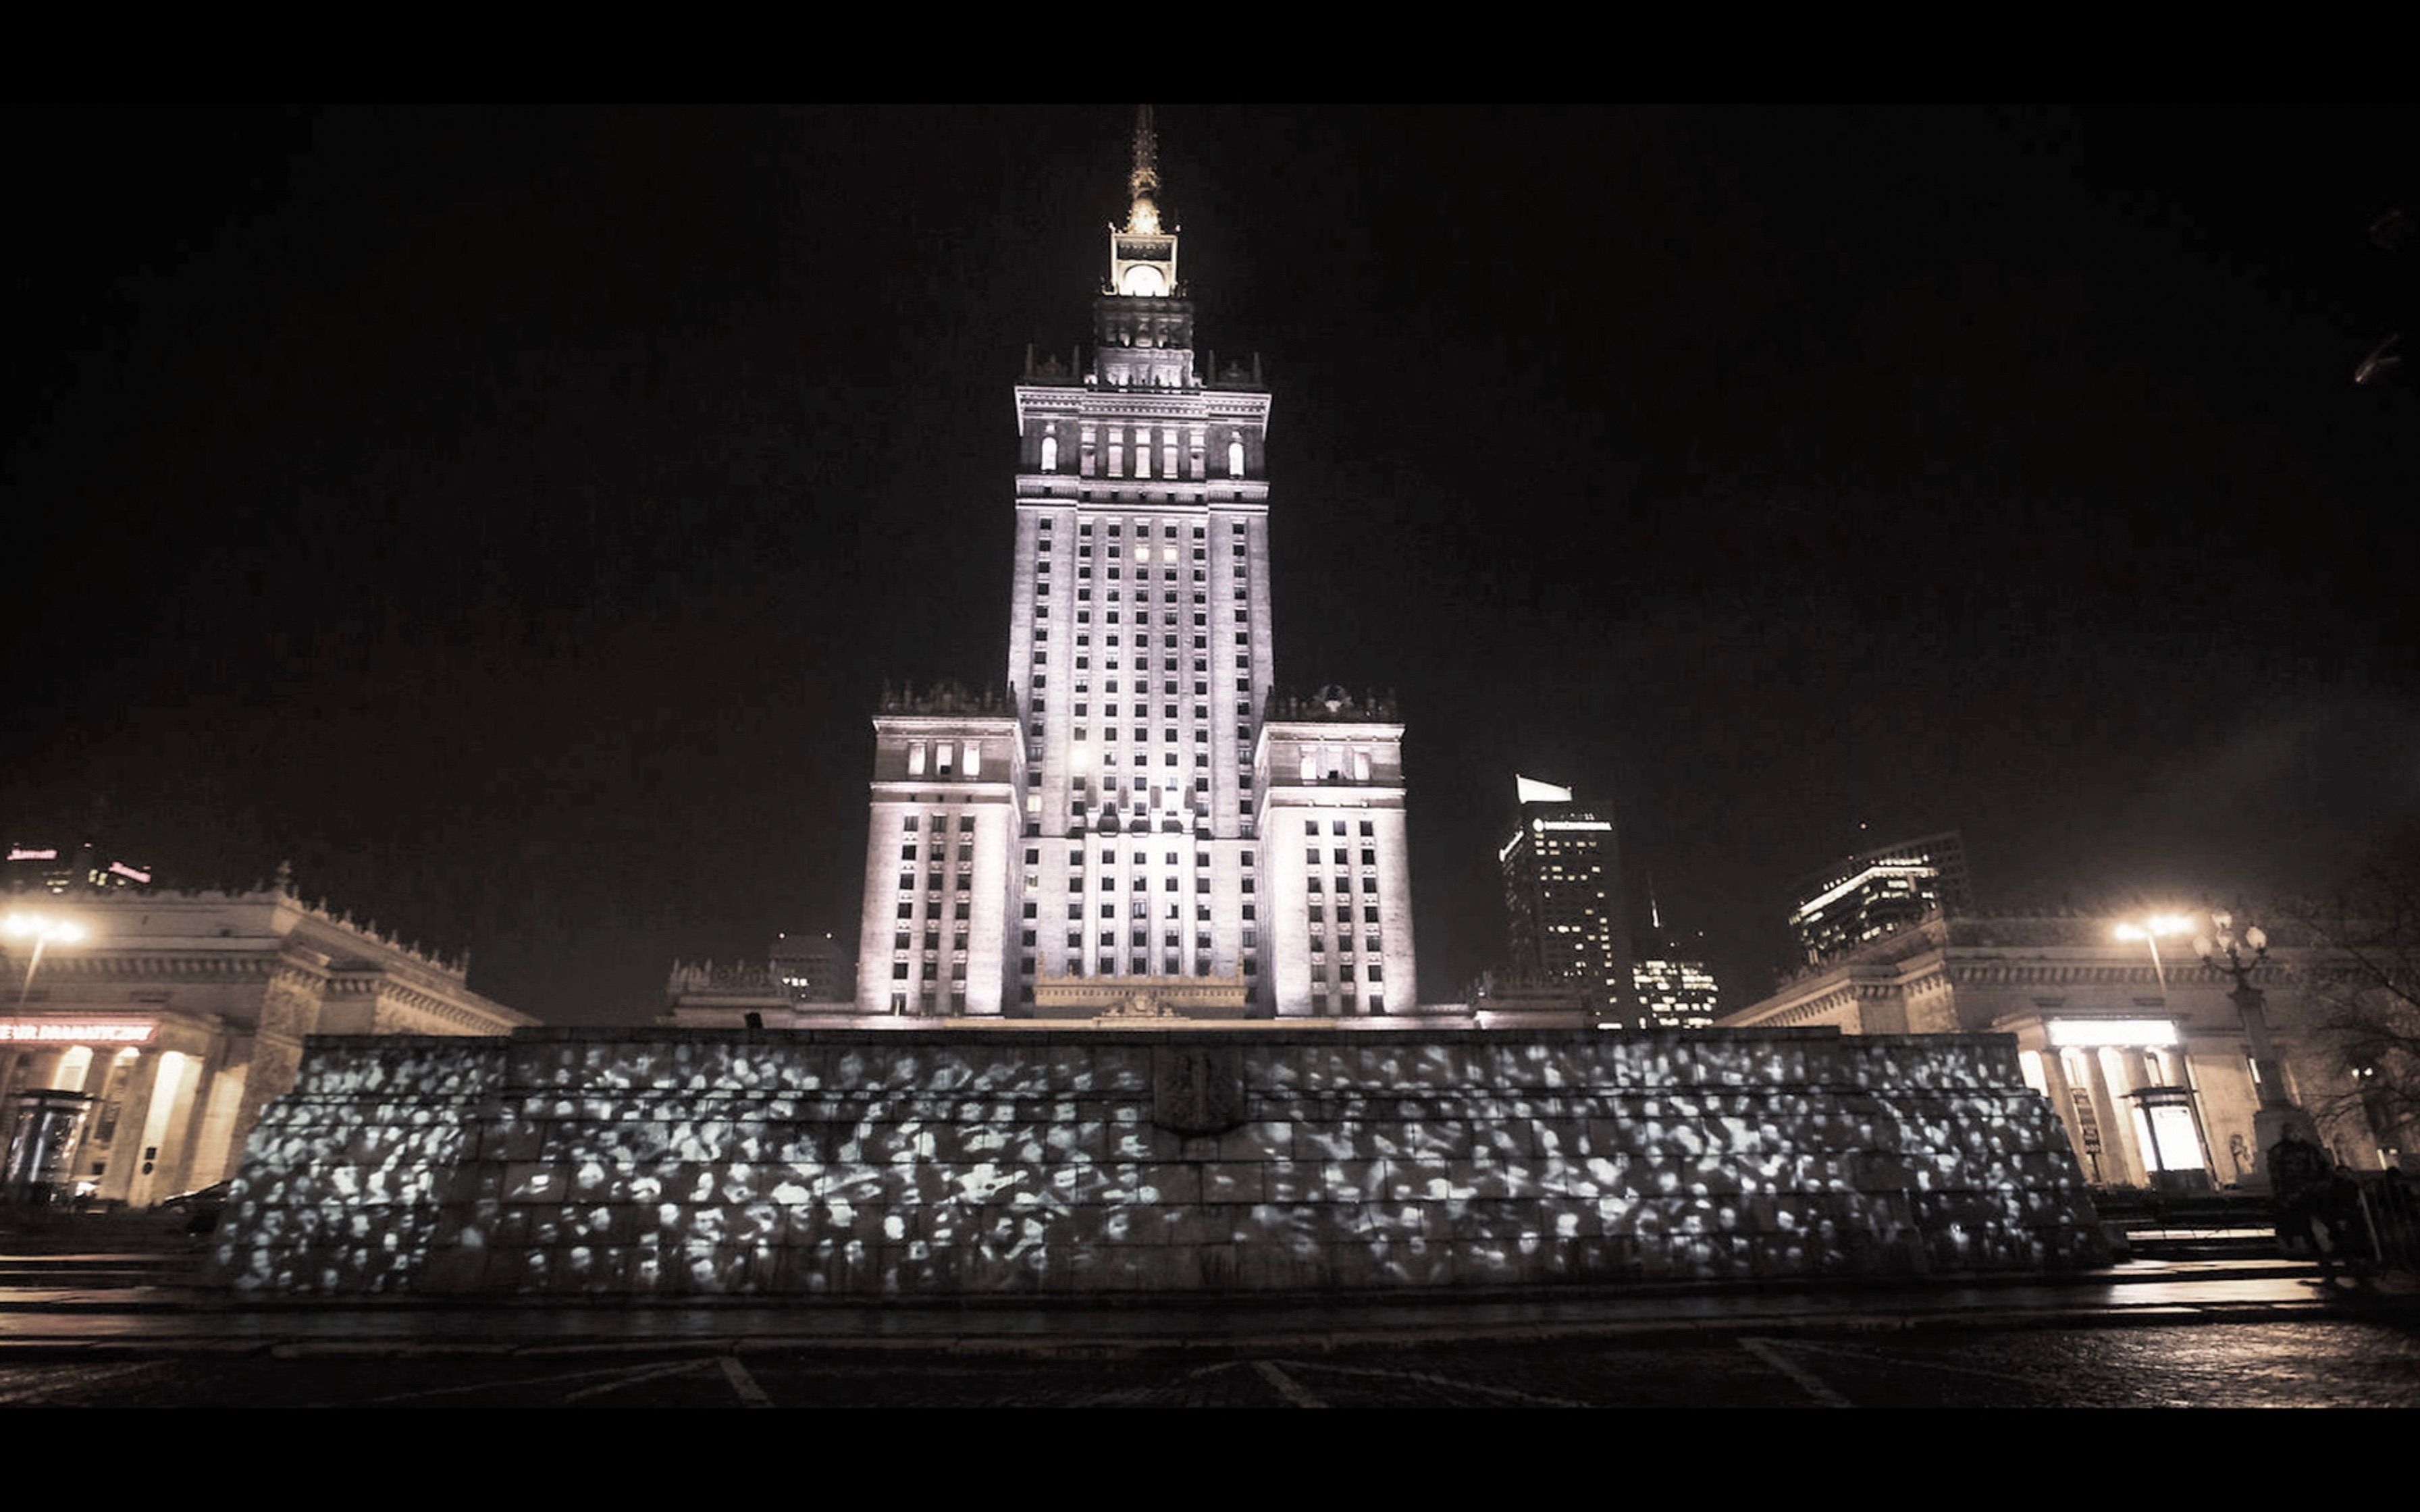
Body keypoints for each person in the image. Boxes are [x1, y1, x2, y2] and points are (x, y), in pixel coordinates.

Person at [2266, 1128, 2338, 1276]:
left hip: (2313, 1192)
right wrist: (2283, 1193)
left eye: (2297, 1132)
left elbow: (2324, 1167)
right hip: (2296, 1194)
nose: (2296, 1135)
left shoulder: (2309, 1149)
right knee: (2305, 1228)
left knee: (2328, 1222)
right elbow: (2276, 1175)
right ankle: (2321, 1258)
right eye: (2292, 1133)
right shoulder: (2280, 1151)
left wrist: (2324, 1183)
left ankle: (2335, 1251)